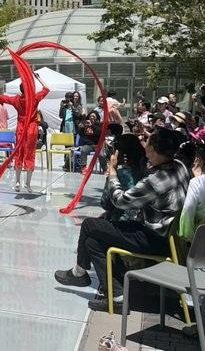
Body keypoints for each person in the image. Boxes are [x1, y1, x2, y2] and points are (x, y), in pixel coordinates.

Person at [54, 127, 190, 312]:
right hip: (165, 235)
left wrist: (112, 173)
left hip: (152, 238)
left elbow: (120, 201)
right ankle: (117, 296)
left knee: (89, 225)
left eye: (148, 145)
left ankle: (79, 272)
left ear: (155, 150)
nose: (145, 148)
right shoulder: (180, 166)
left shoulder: (157, 179)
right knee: (93, 241)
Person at [0, 71, 50, 193]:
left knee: (19, 153)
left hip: (21, 128)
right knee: (30, 155)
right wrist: (38, 78)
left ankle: (18, 182)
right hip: (32, 129)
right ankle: (28, 185)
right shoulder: (34, 98)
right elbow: (47, 89)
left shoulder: (16, 99)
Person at [100, 134, 147, 222]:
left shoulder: (120, 174)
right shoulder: (148, 171)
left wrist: (112, 170)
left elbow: (105, 203)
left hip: (124, 222)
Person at [179, 141, 205, 241]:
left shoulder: (196, 183)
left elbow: (187, 211)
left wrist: (189, 238)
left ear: (200, 160)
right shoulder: (197, 182)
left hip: (204, 238)